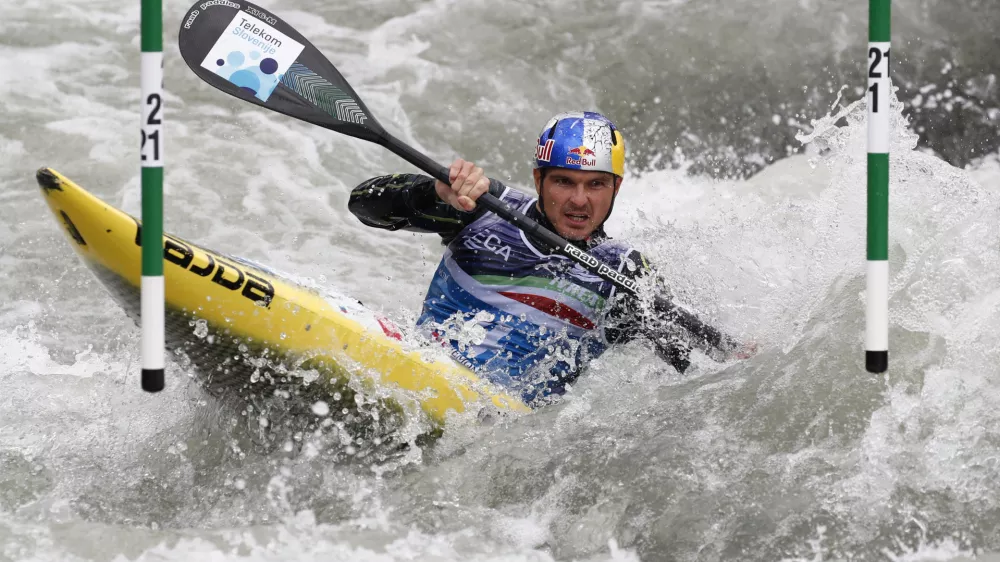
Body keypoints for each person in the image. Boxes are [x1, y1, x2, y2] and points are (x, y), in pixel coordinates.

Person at [348, 111, 752, 406]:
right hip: (414, 374)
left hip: (494, 430)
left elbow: (702, 374)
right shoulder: (483, 205)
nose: (579, 200)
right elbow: (363, 206)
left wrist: (747, 363)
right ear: (539, 179)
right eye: (564, 182)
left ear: (616, 188)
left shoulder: (626, 272)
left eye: (596, 184)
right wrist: (433, 193)